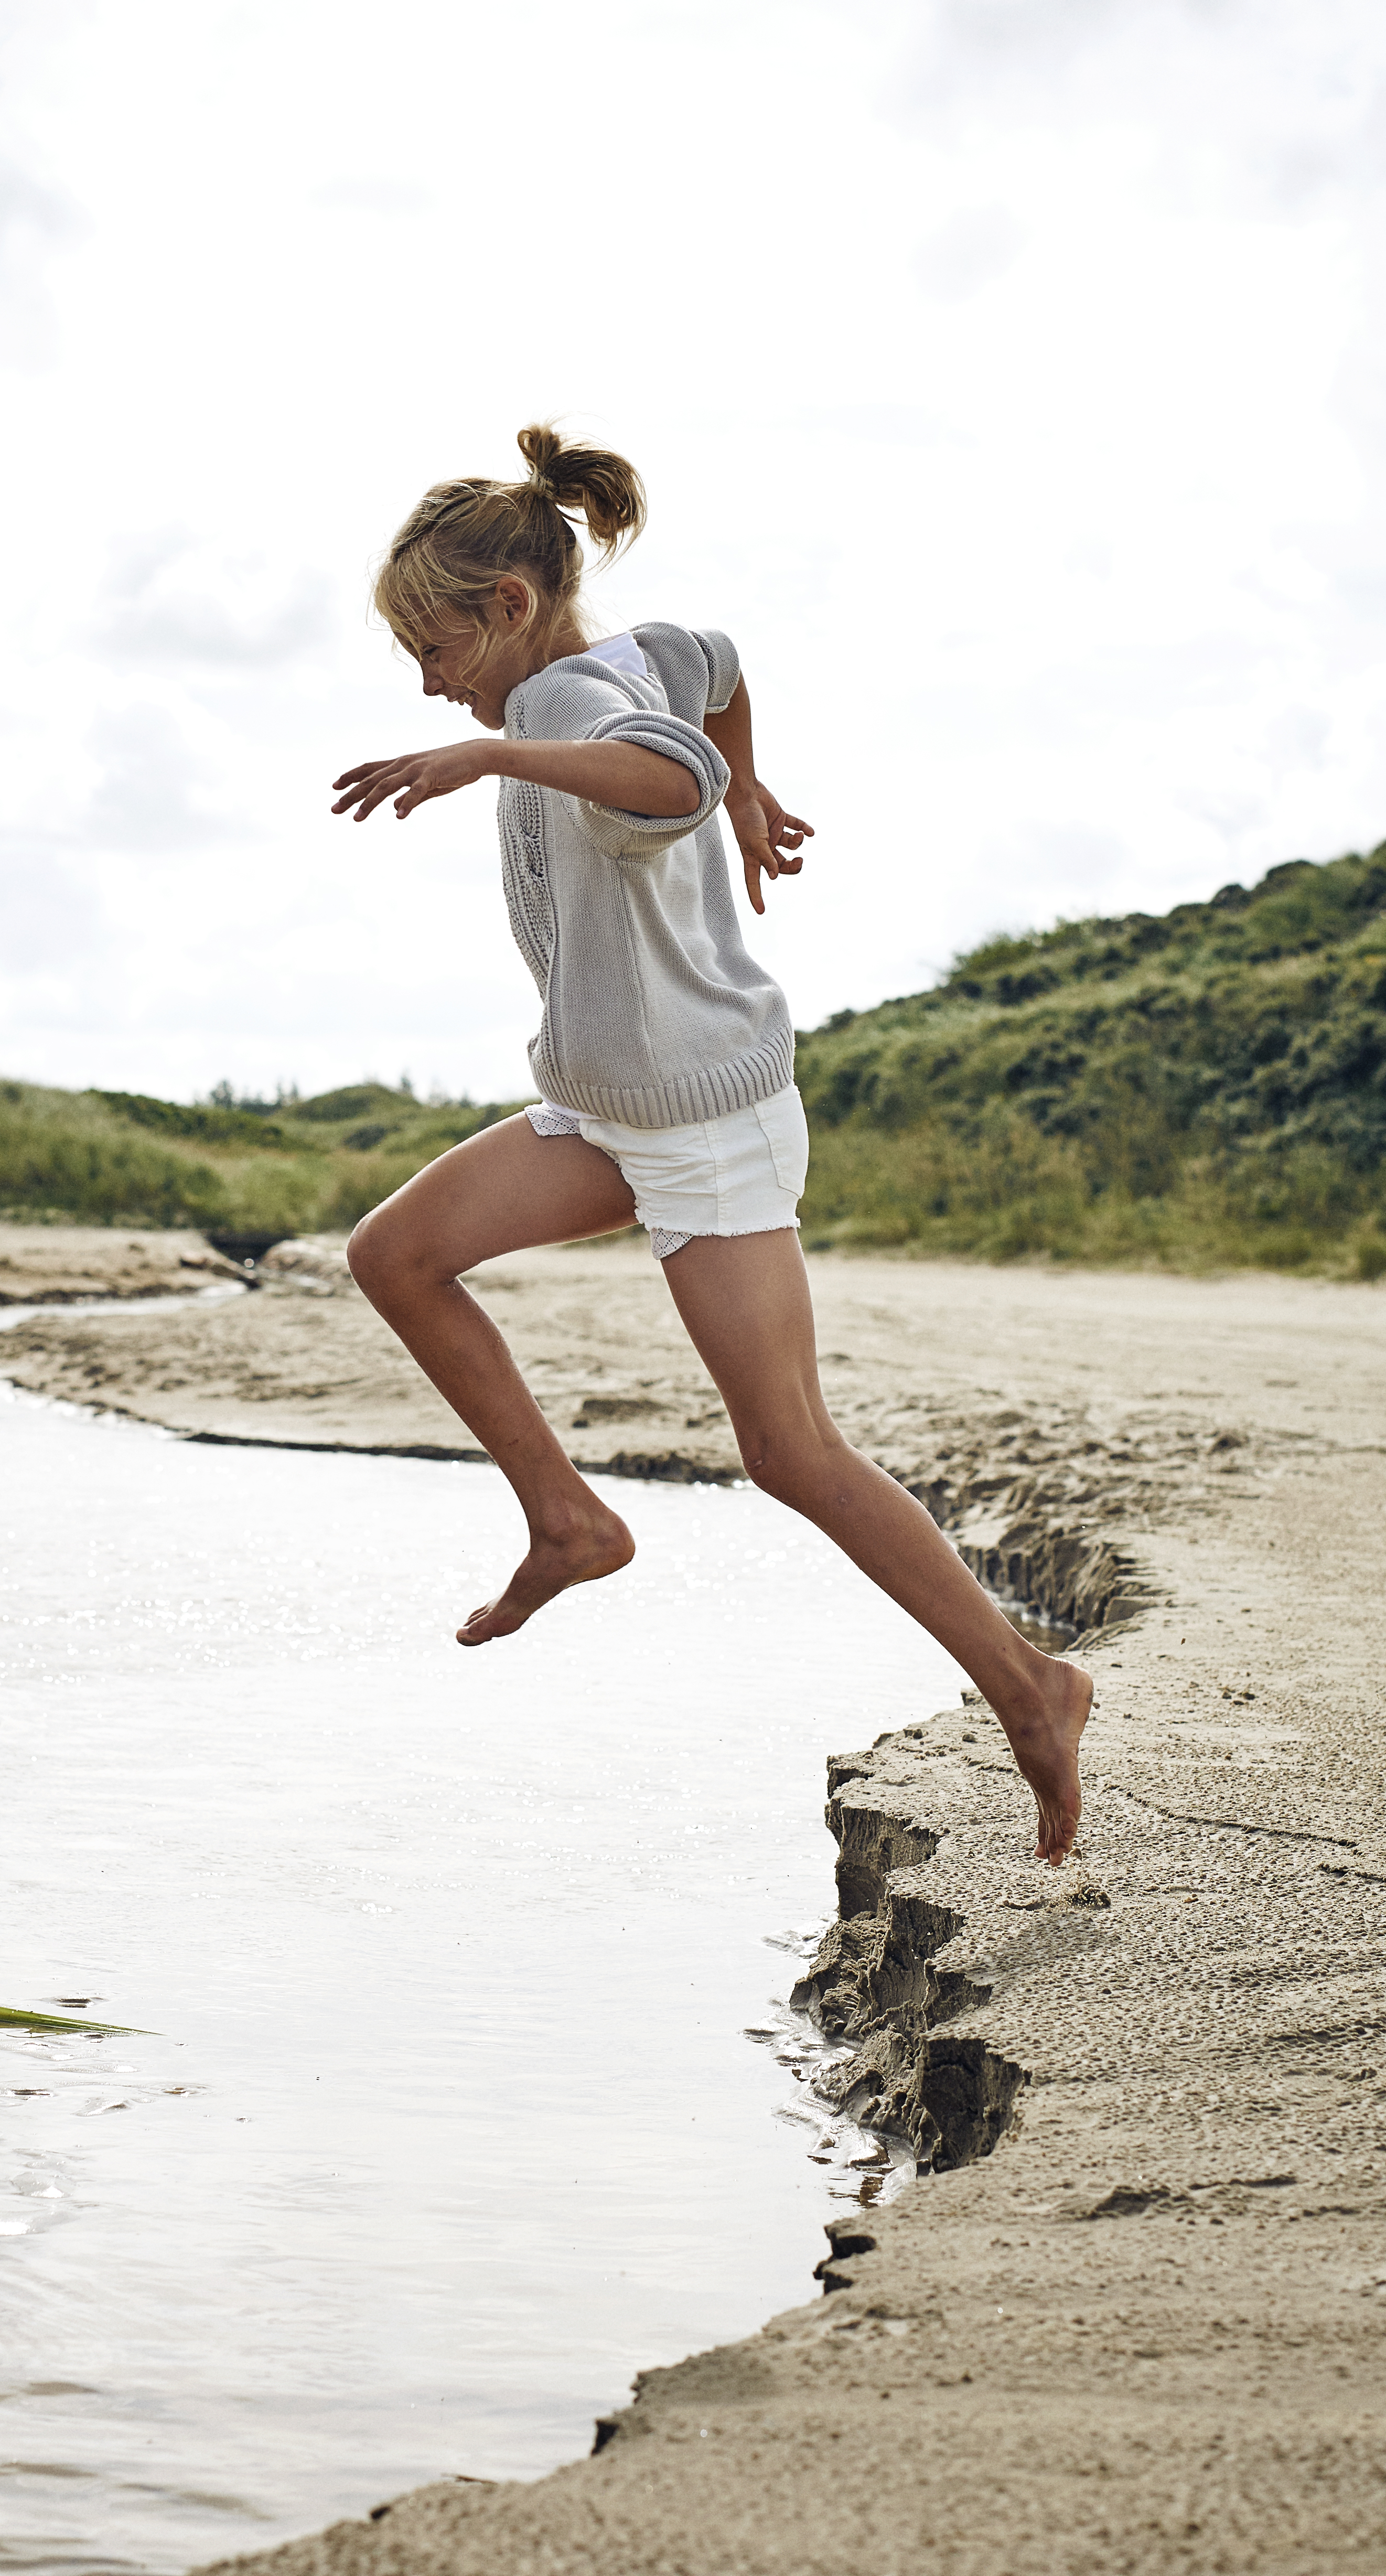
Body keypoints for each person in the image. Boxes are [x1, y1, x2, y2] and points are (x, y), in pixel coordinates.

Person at [326, 425, 1091, 1863]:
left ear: (503, 610)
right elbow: (719, 663)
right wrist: (751, 783)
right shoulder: (629, 655)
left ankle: (1033, 1688)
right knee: (399, 1255)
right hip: (607, 1104)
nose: (425, 684)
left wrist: (507, 753)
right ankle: (567, 1521)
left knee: (791, 1451)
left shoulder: (567, 690)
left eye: (431, 651)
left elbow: (657, 773)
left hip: (705, 1123)